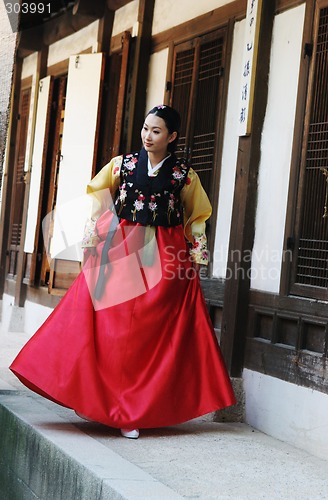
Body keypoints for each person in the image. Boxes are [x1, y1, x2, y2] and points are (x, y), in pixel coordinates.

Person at [10, 105, 236, 439]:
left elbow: (196, 214)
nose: (148, 136)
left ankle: (136, 409)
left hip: (166, 251)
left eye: (156, 131)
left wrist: (195, 254)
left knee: (151, 332)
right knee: (111, 325)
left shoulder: (184, 175)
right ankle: (107, 404)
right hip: (122, 246)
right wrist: (93, 237)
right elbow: (99, 196)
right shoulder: (123, 165)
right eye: (145, 128)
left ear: (172, 137)